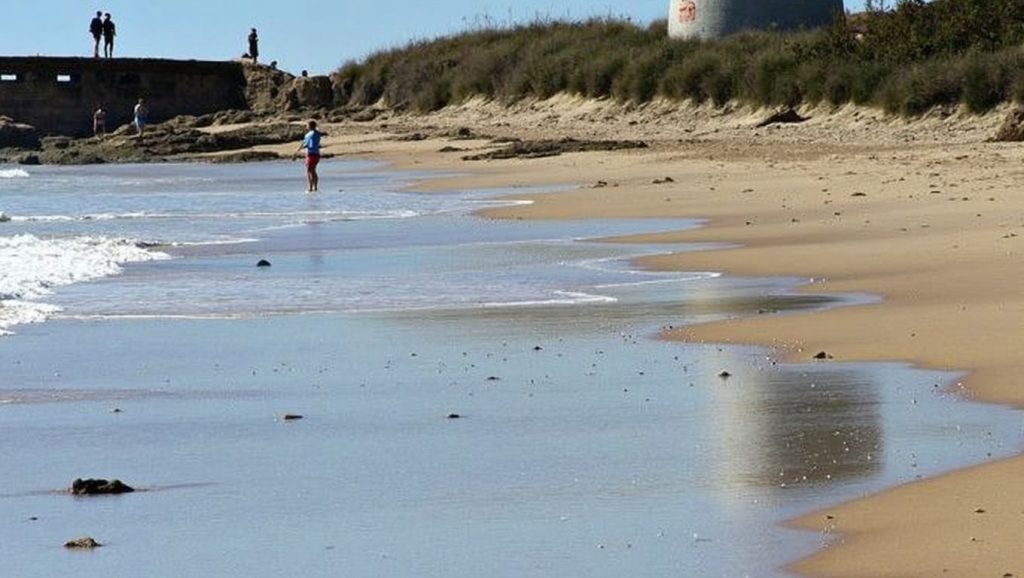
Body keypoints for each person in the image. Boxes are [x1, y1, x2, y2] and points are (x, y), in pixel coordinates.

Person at [295, 120, 322, 192]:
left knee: (309, 171)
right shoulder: (317, 133)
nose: (306, 126)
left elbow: (306, 144)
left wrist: (300, 149)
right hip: (317, 154)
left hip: (311, 154)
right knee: (313, 170)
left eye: (307, 125)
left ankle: (310, 188)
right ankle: (315, 187)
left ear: (309, 126)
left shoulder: (309, 134)